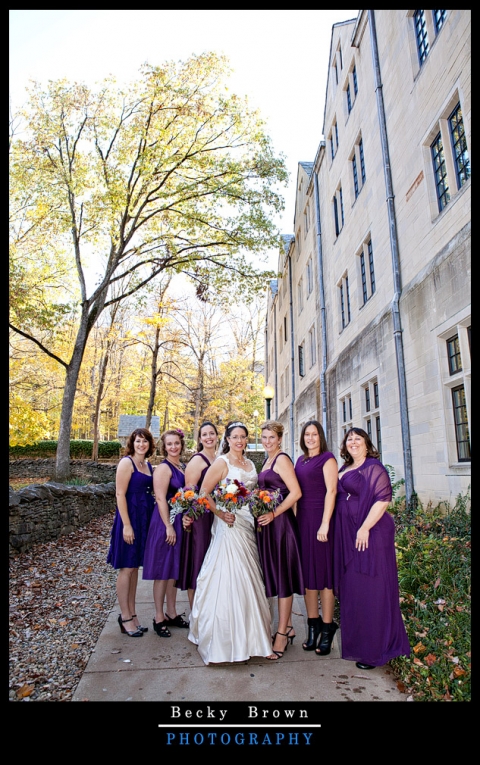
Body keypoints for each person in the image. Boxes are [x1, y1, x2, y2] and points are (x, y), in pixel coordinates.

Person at [188, 421, 278, 663]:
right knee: (230, 575)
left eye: (243, 437)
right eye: (235, 437)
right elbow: (203, 493)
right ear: (227, 439)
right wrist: (220, 513)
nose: (239, 441)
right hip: (228, 524)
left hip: (248, 524)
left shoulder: (251, 464)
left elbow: (254, 493)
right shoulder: (221, 463)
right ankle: (224, 643)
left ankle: (257, 639)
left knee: (251, 575)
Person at [333, 427, 411, 669]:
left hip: (370, 535)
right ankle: (359, 645)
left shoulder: (373, 467)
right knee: (354, 591)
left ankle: (375, 650)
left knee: (371, 590)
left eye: (358, 439)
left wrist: (365, 527)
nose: (353, 442)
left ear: (367, 444)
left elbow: (383, 499)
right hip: (348, 535)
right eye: (349, 439)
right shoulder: (345, 468)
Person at [256, 421, 304, 658]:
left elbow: (296, 492)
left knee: (283, 579)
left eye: (271, 437)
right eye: (264, 437)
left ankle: (282, 634)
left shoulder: (282, 459)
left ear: (280, 439)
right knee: (274, 577)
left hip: (281, 526)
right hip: (268, 527)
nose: (267, 441)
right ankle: (289, 626)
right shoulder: (267, 461)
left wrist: (274, 514)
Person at [107, 428, 156, 637]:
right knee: (127, 567)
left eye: (145, 441)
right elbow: (120, 494)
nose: (141, 444)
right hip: (129, 519)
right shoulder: (127, 463)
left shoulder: (148, 466)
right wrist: (127, 525)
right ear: (132, 443)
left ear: (150, 444)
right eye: (138, 441)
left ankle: (133, 614)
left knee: (135, 568)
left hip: (144, 519)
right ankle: (125, 616)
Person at [294, 420, 338, 656]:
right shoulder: (300, 461)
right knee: (308, 577)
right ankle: (313, 626)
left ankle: (328, 629)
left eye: (314, 434)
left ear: (320, 436)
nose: (310, 438)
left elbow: (332, 491)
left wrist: (325, 523)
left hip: (321, 522)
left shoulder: (327, 459)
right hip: (303, 522)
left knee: (324, 577)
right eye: (307, 434)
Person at [142, 428, 189, 637]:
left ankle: (172, 612)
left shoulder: (182, 466)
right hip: (164, 522)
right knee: (162, 571)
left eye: (176, 443)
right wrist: (168, 526)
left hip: (178, 520)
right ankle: (159, 616)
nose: (173, 447)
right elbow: (160, 498)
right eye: (169, 444)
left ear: (181, 444)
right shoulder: (163, 468)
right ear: (164, 446)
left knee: (172, 569)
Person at [178, 421, 218, 609]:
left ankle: (209, 611)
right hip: (200, 518)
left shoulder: (219, 459)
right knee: (198, 563)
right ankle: (196, 614)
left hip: (217, 517)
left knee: (213, 565)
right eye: (205, 434)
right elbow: (189, 493)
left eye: (212, 433)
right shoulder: (197, 460)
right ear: (200, 439)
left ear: (217, 436)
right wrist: (187, 516)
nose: (209, 437)